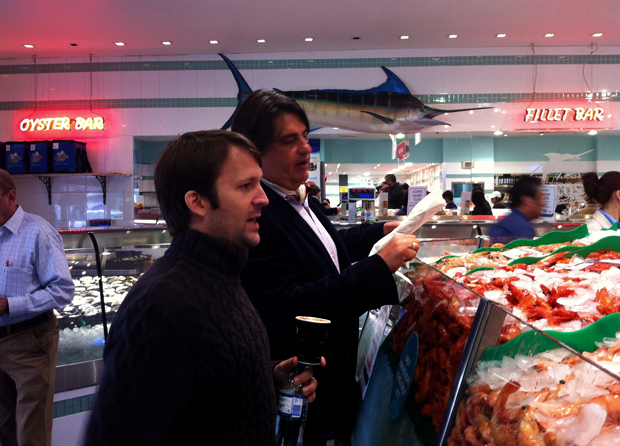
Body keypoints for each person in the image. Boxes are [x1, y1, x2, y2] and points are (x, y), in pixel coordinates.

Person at [85, 131, 319, 446]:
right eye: (246, 186)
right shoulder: (158, 310)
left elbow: (205, 379)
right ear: (198, 202)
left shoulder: (224, 276)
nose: (263, 198)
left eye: (259, 184)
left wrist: (267, 379)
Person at [231, 90, 419, 445]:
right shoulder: (258, 217)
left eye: (305, 135)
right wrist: (379, 267)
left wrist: (378, 232)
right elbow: (294, 306)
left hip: (337, 383)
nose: (305, 147)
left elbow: (328, 250)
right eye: (289, 140)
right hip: (306, 394)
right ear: (255, 153)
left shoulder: (304, 200)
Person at [0, 169, 74, 446]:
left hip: (29, 342)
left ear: (11, 196)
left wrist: (9, 304)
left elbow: (63, 291)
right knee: (4, 429)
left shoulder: (38, 232)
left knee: (31, 434)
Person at [489, 176, 543, 245]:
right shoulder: (522, 228)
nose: (543, 204)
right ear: (527, 201)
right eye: (540, 198)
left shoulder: (505, 223)